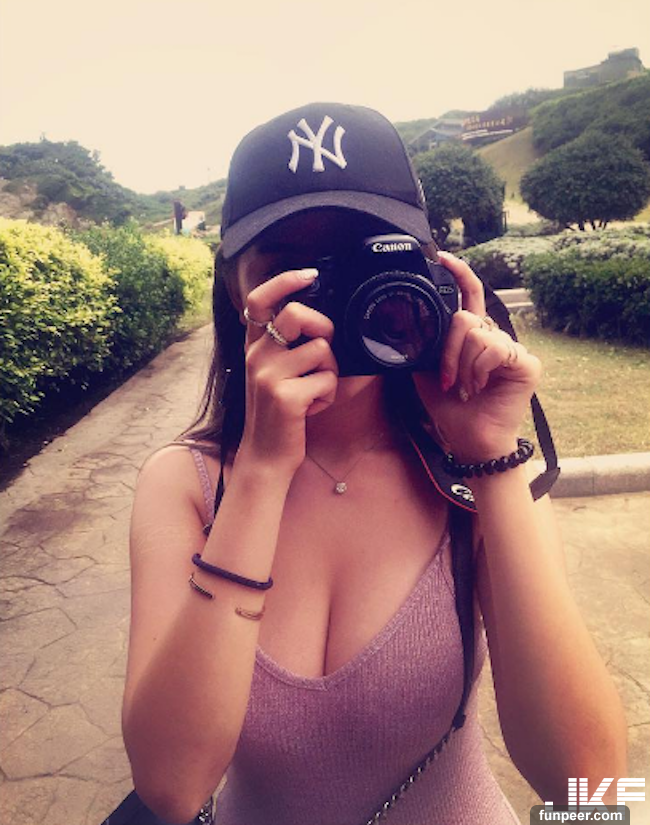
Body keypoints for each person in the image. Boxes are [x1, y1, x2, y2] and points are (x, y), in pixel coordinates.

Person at [121, 103, 627, 825]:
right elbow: (171, 789)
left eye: (366, 256)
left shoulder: (474, 471)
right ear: (235, 290)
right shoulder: (186, 485)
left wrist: (490, 457)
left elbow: (591, 791)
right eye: (296, 268)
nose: (337, 299)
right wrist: (260, 474)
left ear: (430, 268)